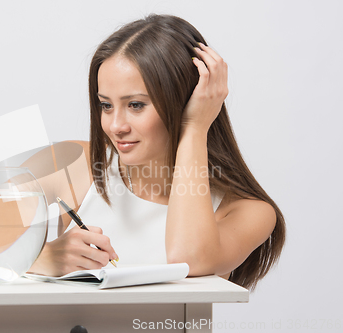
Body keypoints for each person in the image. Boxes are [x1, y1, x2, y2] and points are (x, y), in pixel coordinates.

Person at [28, 14, 285, 291]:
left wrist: (194, 127)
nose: (115, 126)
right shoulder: (74, 164)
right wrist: (40, 260)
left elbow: (189, 260)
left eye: (136, 105)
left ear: (186, 102)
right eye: (106, 105)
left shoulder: (248, 211)